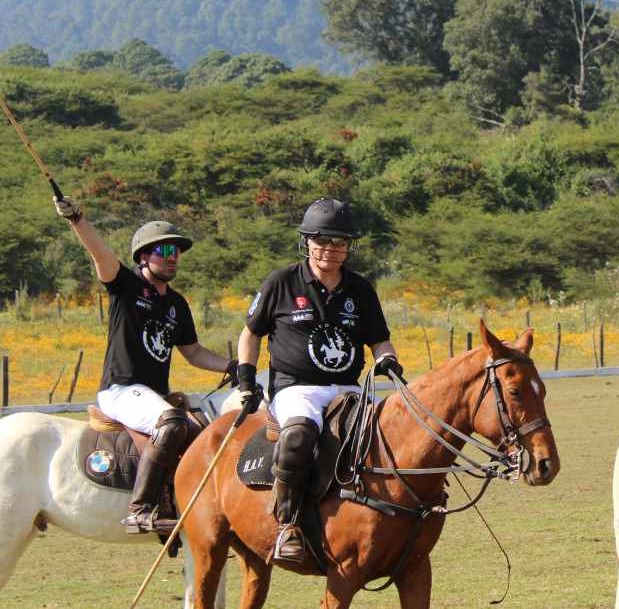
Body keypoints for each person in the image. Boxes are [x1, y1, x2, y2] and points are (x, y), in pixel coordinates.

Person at [53, 195, 234, 532]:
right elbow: (100, 254)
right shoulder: (126, 285)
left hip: (153, 393)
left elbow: (193, 352)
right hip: (121, 389)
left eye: (176, 251)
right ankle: (140, 508)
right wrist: (77, 219)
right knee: (172, 423)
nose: (173, 257)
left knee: (201, 429)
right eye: (164, 251)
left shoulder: (177, 304)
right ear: (143, 257)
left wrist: (233, 366)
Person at [234, 198, 399, 564]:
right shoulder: (281, 282)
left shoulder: (360, 289)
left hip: (348, 387)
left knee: (388, 434)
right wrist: (247, 378)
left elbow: (379, 338)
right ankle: (288, 524)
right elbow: (250, 334)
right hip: (296, 388)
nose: (330, 249)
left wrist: (387, 357)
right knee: (299, 435)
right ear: (306, 241)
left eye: (339, 242)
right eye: (322, 240)